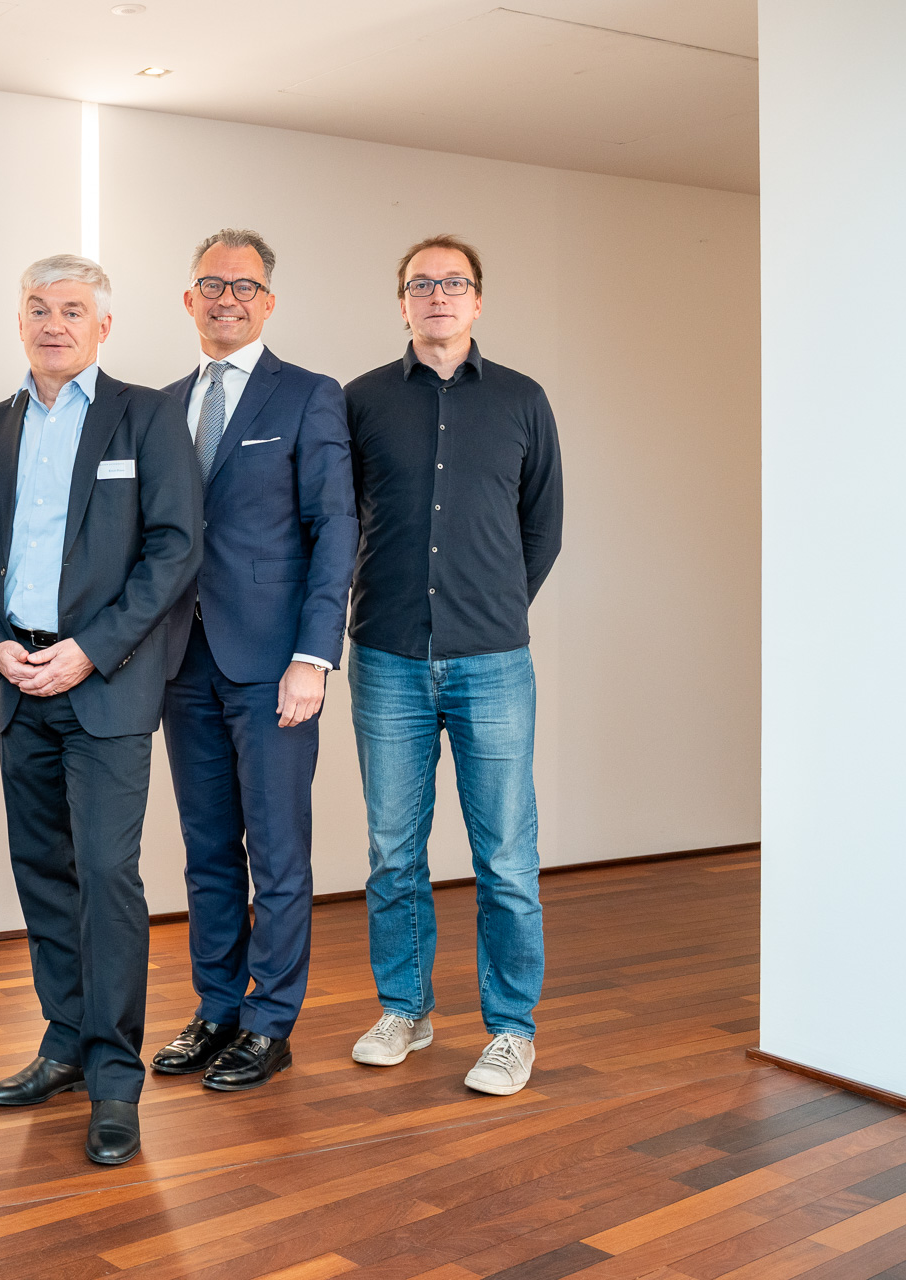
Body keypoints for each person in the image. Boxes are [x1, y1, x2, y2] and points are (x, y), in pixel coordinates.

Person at [0, 254, 201, 1165]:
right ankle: (63, 1042)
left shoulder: (147, 416)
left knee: (107, 875)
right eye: (37, 308)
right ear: (19, 321)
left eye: (72, 310)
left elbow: (175, 550)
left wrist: (90, 651)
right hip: (17, 685)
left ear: (104, 327)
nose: (53, 323)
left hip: (104, 686)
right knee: (44, 873)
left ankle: (114, 1076)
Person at [343, 234, 563, 1097]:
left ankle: (512, 1029)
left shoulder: (522, 399)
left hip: (493, 661)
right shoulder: (359, 401)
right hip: (387, 655)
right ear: (402, 302)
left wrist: (493, 603)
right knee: (394, 852)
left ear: (478, 301)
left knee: (506, 854)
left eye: (454, 283)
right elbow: (335, 519)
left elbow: (541, 527)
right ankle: (407, 1009)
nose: (437, 295)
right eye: (420, 284)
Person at [151, 230, 357, 1091]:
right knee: (205, 850)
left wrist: (314, 655)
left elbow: (335, 527)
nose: (227, 298)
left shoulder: (309, 396)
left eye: (245, 286)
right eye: (211, 284)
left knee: (275, 850)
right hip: (177, 661)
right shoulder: (161, 406)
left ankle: (270, 1021)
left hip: (274, 663)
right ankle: (216, 1008)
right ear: (188, 300)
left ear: (268, 302)